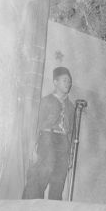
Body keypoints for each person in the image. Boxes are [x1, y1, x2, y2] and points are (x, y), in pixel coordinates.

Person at [23, 66, 76, 200]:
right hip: (48, 138)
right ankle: (31, 206)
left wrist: (69, 154)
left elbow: (71, 133)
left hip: (63, 142)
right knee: (42, 173)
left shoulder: (71, 107)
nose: (68, 84)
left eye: (69, 81)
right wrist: (32, 148)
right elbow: (36, 124)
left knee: (59, 178)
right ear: (55, 82)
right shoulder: (45, 101)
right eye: (65, 80)